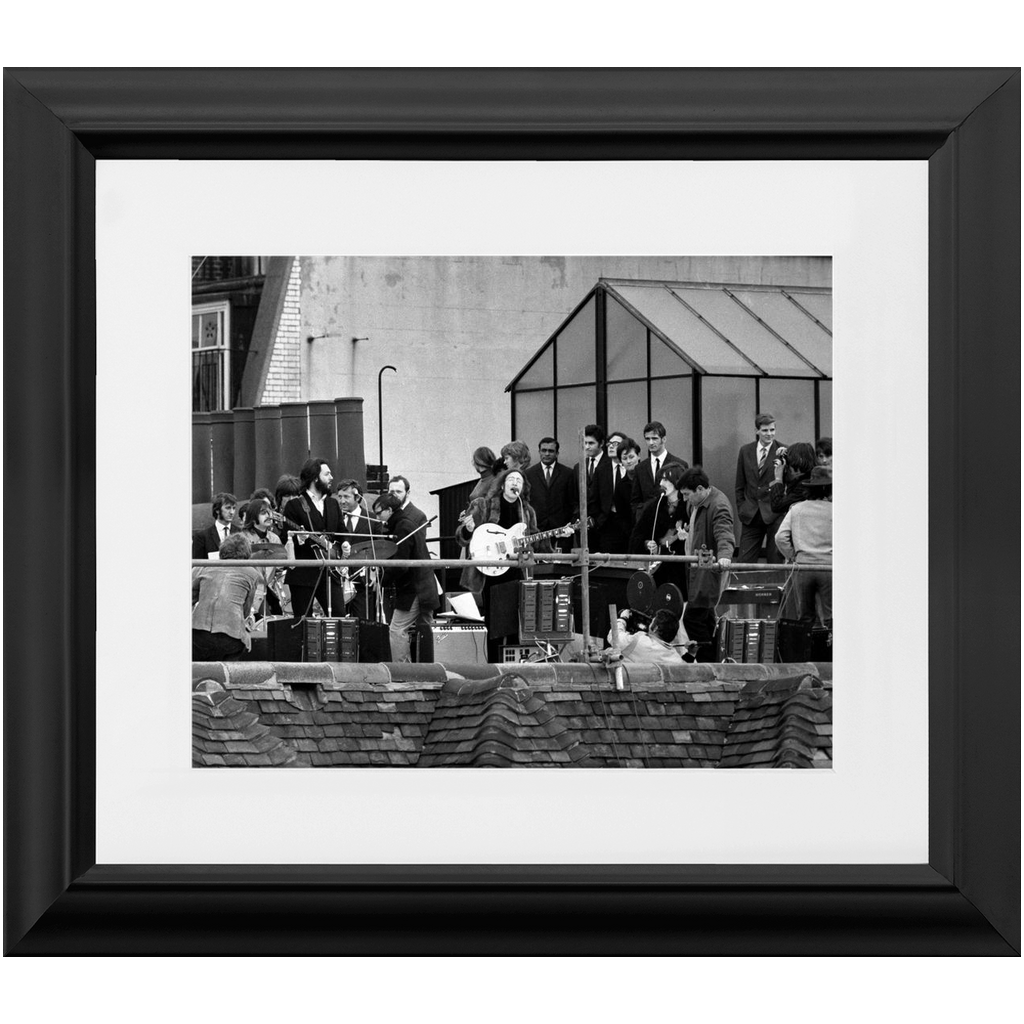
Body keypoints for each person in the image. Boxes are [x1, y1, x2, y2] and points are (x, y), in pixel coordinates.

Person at [456, 468, 554, 660]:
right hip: (489, 572)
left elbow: (535, 539)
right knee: (495, 625)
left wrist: (557, 534)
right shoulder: (483, 505)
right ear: (502, 484)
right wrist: (468, 529)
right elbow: (462, 537)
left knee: (515, 623)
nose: (515, 482)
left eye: (519, 480)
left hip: (515, 571)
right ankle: (494, 665)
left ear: (523, 487)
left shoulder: (527, 512)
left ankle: (513, 664)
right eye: (511, 479)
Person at [678, 466, 737, 663]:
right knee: (705, 618)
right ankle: (711, 660)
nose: (685, 499)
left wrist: (725, 556)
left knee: (693, 618)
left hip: (709, 570)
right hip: (699, 568)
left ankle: (708, 662)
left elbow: (724, 534)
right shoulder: (698, 503)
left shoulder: (718, 505)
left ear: (701, 489)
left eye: (687, 494)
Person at [374, 492, 438, 662]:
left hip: (414, 588)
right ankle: (427, 668)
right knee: (427, 629)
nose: (378, 517)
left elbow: (400, 564)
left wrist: (381, 579)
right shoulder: (403, 525)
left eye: (379, 513)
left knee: (397, 629)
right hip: (423, 585)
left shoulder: (402, 527)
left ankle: (403, 670)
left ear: (389, 510)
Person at [281, 458, 346, 621]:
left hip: (330, 572)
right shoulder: (294, 505)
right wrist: (300, 539)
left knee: (339, 617)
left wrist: (345, 543)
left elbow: (341, 530)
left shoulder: (333, 504)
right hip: (303, 574)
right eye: (327, 474)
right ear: (315, 478)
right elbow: (285, 538)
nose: (331, 478)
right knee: (303, 621)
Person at [774, 465, 833, 626]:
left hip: (803, 567)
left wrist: (793, 555)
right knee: (830, 617)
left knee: (805, 617)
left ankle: (807, 650)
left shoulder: (796, 509)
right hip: (829, 567)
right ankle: (829, 649)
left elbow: (780, 537)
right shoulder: (835, 510)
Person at [191, 533, 262, 661]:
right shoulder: (252, 573)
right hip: (231, 636)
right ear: (247, 553)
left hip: (198, 633)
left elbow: (188, 598)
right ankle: (226, 678)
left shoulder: (203, 566)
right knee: (238, 646)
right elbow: (245, 611)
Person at [629, 461, 689, 599]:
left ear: (677, 481)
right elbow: (637, 534)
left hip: (681, 572)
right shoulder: (654, 507)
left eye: (666, 479)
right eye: (661, 479)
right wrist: (646, 544)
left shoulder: (688, 506)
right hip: (658, 571)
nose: (661, 483)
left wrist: (686, 538)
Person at [735, 412, 786, 563]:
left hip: (774, 514)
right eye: (765, 430)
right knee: (744, 562)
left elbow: (788, 482)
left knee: (775, 562)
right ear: (757, 431)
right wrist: (742, 508)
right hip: (751, 514)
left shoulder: (783, 450)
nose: (769, 434)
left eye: (772, 430)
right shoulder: (746, 451)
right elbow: (739, 484)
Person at [334, 478, 379, 620]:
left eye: (346, 497)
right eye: (340, 497)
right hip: (338, 579)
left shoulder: (372, 520)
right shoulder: (334, 519)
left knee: (363, 620)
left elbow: (379, 548)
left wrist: (373, 570)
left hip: (362, 581)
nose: (342, 501)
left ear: (358, 497)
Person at [524, 436, 577, 553]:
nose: (547, 454)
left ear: (557, 453)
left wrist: (570, 525)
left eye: (551, 451)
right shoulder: (529, 474)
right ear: (539, 452)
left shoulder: (568, 473)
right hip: (537, 531)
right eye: (544, 450)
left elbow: (574, 502)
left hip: (561, 531)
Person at [630, 421, 688, 522]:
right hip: (648, 523)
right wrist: (641, 517)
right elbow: (635, 500)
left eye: (655, 438)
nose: (651, 442)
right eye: (647, 439)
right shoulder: (640, 468)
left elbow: (685, 495)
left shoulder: (679, 465)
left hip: (673, 522)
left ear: (664, 439)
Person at [574, 424, 614, 551]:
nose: (587, 447)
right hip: (583, 527)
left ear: (601, 443)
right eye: (585, 443)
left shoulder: (611, 464)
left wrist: (599, 521)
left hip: (606, 526)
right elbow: (574, 496)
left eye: (591, 443)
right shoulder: (578, 467)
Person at [606, 608, 688, 667]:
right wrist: (691, 654)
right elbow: (685, 668)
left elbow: (614, 638)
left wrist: (623, 618)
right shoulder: (674, 656)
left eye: (652, 621)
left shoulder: (640, 640)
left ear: (655, 628)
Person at [603, 432, 636, 554]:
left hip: (637, 524)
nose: (611, 446)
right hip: (613, 525)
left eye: (616, 443)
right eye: (609, 443)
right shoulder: (602, 470)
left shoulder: (639, 474)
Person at [768, 441, 817, 519]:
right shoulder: (812, 476)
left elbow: (777, 506)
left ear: (799, 460)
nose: (788, 467)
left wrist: (778, 479)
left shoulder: (804, 485)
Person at [192, 491, 238, 559]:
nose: (232, 512)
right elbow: (197, 566)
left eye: (234, 508)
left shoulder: (240, 533)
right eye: (228, 508)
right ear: (217, 510)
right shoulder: (202, 537)